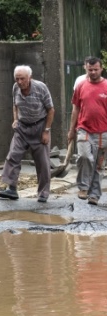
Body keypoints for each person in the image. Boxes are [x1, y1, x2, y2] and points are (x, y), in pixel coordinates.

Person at [0, 65, 54, 202]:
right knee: (13, 155)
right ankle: (11, 188)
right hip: (22, 127)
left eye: (22, 79)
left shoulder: (41, 88)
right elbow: (15, 105)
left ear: (30, 78)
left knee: (43, 163)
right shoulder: (15, 87)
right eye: (17, 79)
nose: (19, 82)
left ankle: (43, 193)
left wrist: (46, 131)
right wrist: (15, 119)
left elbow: (51, 110)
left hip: (39, 126)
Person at [67, 56, 107, 205]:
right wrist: (71, 130)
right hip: (84, 130)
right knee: (84, 156)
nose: (93, 72)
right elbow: (75, 109)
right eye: (90, 70)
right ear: (85, 68)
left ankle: (94, 195)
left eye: (96, 69)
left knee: (99, 165)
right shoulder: (80, 86)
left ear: (101, 69)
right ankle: (83, 187)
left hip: (104, 133)